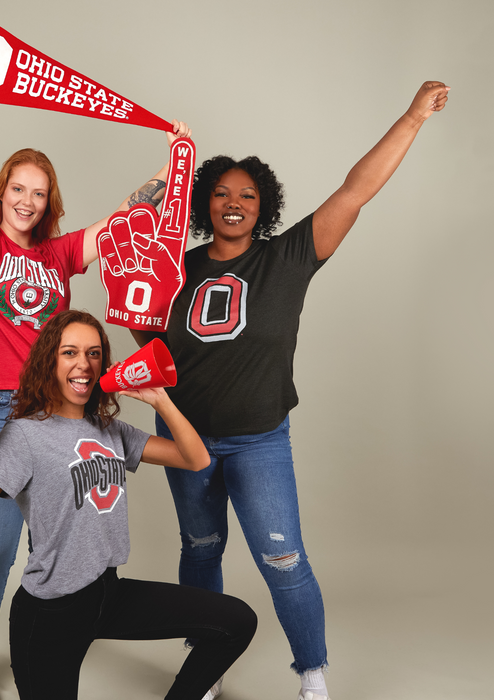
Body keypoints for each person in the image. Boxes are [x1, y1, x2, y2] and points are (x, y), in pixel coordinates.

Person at [131, 81, 450, 700]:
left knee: (283, 559)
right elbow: (146, 339)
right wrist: (151, 193)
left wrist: (412, 117)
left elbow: (355, 192)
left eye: (247, 195)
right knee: (200, 548)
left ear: (263, 206)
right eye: (220, 192)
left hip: (258, 439)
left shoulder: (289, 257)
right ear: (203, 204)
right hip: (184, 435)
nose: (233, 203)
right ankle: (208, 665)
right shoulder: (172, 264)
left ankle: (311, 671)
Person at [0, 16, 192, 700]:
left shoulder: (55, 255)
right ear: (1, 193)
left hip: (58, 419)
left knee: (59, 548)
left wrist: (171, 167)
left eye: (39, 192)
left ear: (49, 202)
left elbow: (121, 225)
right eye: (17, 188)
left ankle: (55, 633)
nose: (27, 199)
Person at [0, 310, 258, 700]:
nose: (83, 364)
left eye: (93, 353)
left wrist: (161, 400)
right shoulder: (24, 434)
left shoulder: (111, 430)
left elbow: (196, 459)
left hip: (109, 595)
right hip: (50, 613)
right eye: (69, 352)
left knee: (237, 621)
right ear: (48, 362)